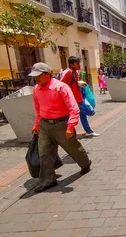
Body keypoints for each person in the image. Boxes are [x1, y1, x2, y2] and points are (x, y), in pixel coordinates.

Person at [30, 63, 91, 193]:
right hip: (45, 125)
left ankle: (85, 163)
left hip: (62, 124)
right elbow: (38, 109)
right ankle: (48, 180)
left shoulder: (61, 87)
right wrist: (36, 125)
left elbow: (74, 109)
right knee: (44, 153)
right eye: (35, 76)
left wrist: (70, 126)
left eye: (39, 75)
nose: (36, 79)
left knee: (73, 149)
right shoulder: (36, 89)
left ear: (47, 74)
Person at [61, 56, 99, 137]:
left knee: (83, 116)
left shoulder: (75, 72)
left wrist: (82, 84)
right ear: (71, 64)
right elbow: (61, 84)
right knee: (90, 111)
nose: (79, 65)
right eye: (77, 63)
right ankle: (69, 131)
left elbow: (75, 83)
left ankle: (88, 131)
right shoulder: (68, 73)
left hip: (79, 97)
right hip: (75, 99)